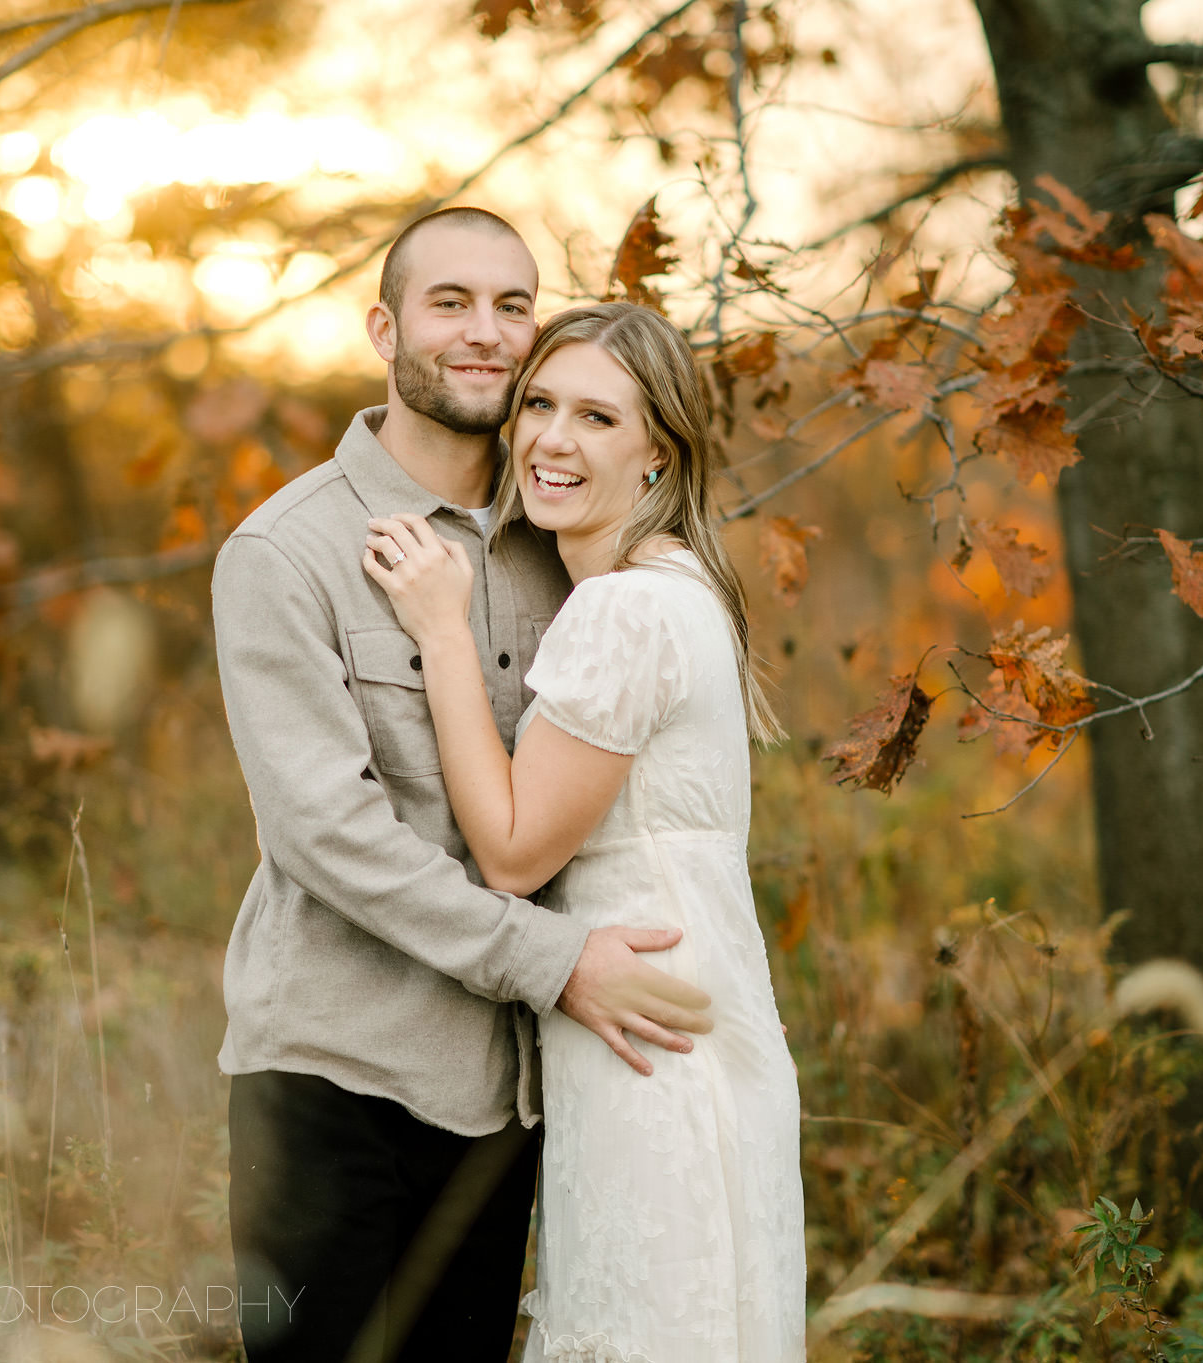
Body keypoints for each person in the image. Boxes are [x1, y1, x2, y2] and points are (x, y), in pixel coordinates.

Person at [210, 209, 716, 1363]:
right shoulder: (284, 553)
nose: (486, 333)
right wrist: (554, 964)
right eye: (450, 303)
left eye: (511, 304)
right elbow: (324, 835)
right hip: (332, 1083)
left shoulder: (560, 530)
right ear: (384, 328)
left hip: (509, 1101)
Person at [363, 301, 807, 1360]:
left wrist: (441, 633)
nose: (552, 440)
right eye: (539, 405)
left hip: (641, 1040)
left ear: (658, 452)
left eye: (598, 419)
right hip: (696, 1029)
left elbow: (514, 853)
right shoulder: (687, 588)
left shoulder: (620, 613)